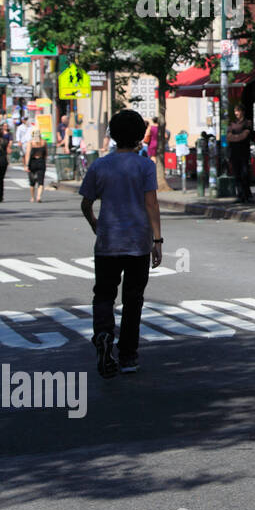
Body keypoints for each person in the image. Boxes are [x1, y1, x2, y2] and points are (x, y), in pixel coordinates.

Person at [78, 110, 163, 377]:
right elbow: (151, 204)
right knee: (133, 299)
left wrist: (94, 222)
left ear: (112, 135)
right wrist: (157, 239)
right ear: (139, 136)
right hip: (138, 242)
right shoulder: (145, 166)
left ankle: (103, 334)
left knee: (104, 294)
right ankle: (128, 355)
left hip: (107, 242)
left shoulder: (99, 166)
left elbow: (86, 202)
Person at [226, 105, 254, 204]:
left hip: (244, 153)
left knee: (245, 174)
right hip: (234, 153)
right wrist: (237, 137)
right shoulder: (232, 123)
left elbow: (244, 135)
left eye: (237, 111)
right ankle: (240, 195)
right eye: (235, 111)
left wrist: (235, 137)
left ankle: (248, 195)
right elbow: (228, 136)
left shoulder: (247, 123)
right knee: (237, 175)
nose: (236, 113)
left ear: (242, 111)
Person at [24, 126, 48, 203]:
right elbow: (46, 154)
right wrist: (44, 161)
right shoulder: (44, 142)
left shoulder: (31, 143)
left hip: (32, 162)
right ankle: (39, 196)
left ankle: (32, 197)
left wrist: (26, 165)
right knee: (41, 181)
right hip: (41, 161)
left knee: (32, 182)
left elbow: (27, 154)